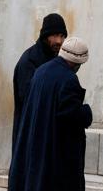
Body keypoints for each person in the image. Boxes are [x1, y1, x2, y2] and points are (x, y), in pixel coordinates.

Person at [4, 37, 92, 191]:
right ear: (78, 62)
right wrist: (86, 113)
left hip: (36, 143)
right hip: (56, 149)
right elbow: (69, 115)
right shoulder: (68, 79)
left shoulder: (42, 70)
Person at [11, 13, 67, 153]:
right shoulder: (29, 60)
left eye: (62, 36)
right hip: (30, 130)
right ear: (45, 36)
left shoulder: (56, 58)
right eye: (54, 35)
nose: (59, 41)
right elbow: (29, 98)